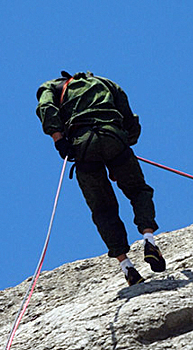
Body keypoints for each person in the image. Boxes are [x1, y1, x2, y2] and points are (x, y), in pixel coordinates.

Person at [35, 71, 165, 286]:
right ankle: (149, 240)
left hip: (82, 146)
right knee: (138, 190)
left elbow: (46, 109)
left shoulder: (51, 87)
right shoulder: (105, 83)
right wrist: (122, 151)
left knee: (102, 209)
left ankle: (127, 266)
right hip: (114, 137)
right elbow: (130, 120)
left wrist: (59, 141)